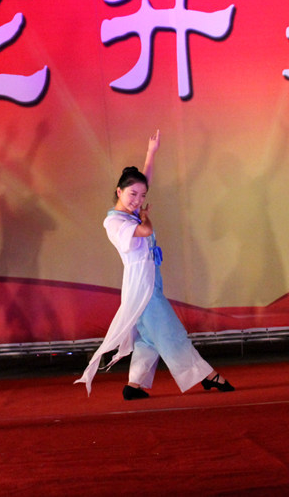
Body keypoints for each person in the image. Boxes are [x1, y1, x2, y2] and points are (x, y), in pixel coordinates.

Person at [75, 131, 234, 399]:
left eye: (142, 195)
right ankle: (208, 376)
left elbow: (144, 180)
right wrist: (146, 217)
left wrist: (151, 152)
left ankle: (134, 385)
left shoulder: (131, 213)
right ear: (119, 191)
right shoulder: (114, 222)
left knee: (149, 338)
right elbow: (145, 231)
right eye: (132, 194)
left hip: (150, 282)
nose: (137, 199)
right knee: (171, 332)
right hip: (142, 287)